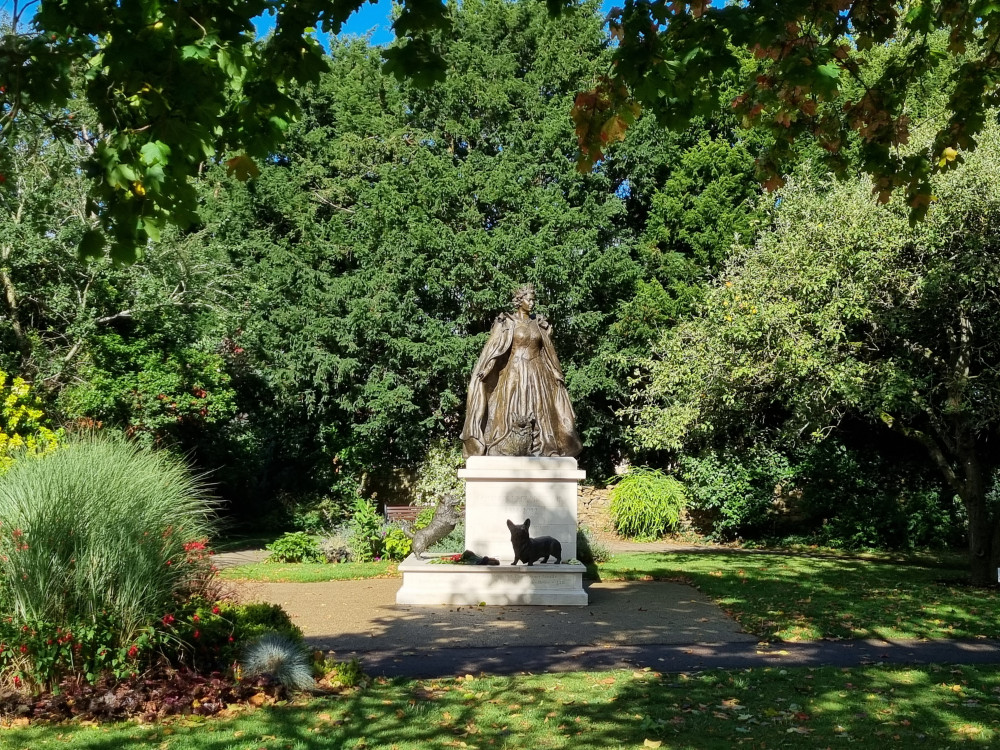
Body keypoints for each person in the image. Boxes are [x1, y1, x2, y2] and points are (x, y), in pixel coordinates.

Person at [461, 284, 582, 458]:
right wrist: (487, 367)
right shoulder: (507, 322)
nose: (532, 303)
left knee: (541, 410)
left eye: (533, 299)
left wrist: (556, 372)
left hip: (537, 374)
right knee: (511, 408)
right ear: (519, 301)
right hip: (514, 373)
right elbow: (494, 348)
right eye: (528, 299)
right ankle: (507, 446)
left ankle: (545, 448)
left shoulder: (538, 324)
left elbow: (547, 352)